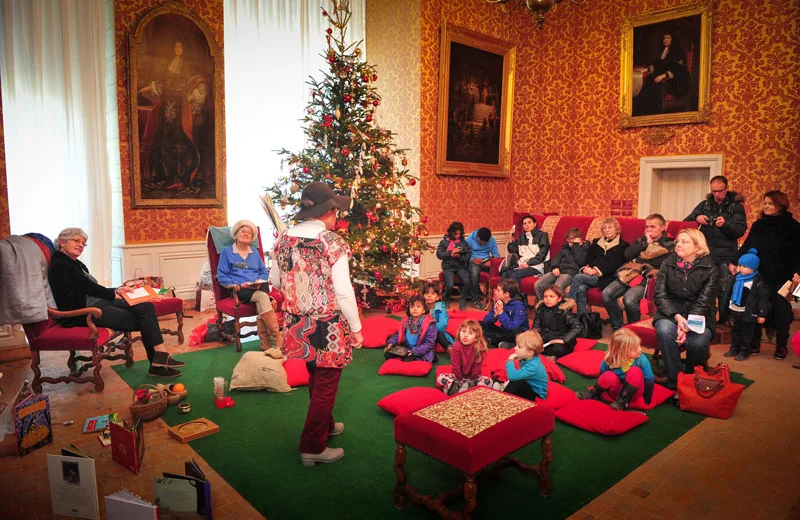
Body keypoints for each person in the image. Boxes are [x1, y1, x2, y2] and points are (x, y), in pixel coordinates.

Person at [269, 181, 364, 467]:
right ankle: (312, 446)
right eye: (336, 211)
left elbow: (275, 281)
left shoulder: (284, 239)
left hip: (298, 323)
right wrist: (357, 329)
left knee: (315, 375)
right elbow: (344, 292)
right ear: (330, 211)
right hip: (328, 326)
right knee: (326, 384)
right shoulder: (331, 242)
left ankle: (325, 424)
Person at [48, 227, 183, 378]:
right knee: (144, 320)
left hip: (99, 302)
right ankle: (157, 363)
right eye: (76, 240)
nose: (81, 245)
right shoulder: (60, 265)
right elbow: (87, 287)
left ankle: (160, 355)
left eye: (83, 243)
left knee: (146, 307)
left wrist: (118, 290)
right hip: (85, 312)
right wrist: (113, 293)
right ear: (62, 242)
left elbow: (91, 288)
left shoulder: (74, 263)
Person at [736, 191, 800, 360]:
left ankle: (781, 345)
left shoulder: (793, 226)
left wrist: (798, 273)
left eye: (770, 203)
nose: (766, 206)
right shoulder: (759, 225)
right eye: (765, 203)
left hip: (783, 276)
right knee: (755, 309)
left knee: (781, 310)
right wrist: (735, 262)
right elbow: (747, 246)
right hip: (759, 275)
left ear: (780, 205)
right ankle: (754, 343)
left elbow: (798, 253)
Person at [654, 229, 718, 390]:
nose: (678, 245)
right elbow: (660, 295)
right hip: (671, 313)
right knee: (664, 330)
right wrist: (677, 317)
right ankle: (674, 380)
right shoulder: (668, 263)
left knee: (697, 343)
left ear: (697, 247)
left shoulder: (710, 268)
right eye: (678, 241)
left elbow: (704, 302)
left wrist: (687, 326)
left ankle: (689, 380)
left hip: (700, 315)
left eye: (684, 241)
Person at [684, 176, 747, 326]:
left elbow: (740, 230)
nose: (717, 195)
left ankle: (723, 320)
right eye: (714, 191)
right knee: (703, 287)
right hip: (705, 254)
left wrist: (725, 224)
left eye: (720, 191)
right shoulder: (704, 205)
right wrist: (697, 217)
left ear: (726, 189)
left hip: (726, 255)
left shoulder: (735, 207)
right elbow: (685, 223)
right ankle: (706, 318)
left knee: (724, 289)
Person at [217, 220, 282, 358]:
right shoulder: (227, 252)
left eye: (249, 232)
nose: (246, 234)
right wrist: (237, 284)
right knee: (264, 298)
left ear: (252, 237)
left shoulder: (254, 253)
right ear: (235, 234)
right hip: (239, 288)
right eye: (243, 231)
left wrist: (259, 280)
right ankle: (278, 341)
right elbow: (221, 276)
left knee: (261, 299)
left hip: (257, 285)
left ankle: (265, 345)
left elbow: (263, 271)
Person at [602, 214, 674, 330]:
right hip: (630, 274)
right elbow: (627, 254)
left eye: (652, 227)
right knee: (607, 293)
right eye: (647, 227)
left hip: (648, 278)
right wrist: (645, 243)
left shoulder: (669, 243)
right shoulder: (642, 240)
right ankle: (618, 327)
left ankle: (633, 330)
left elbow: (661, 263)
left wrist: (639, 259)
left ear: (663, 228)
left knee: (629, 299)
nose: (649, 230)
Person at [576, 329, 654, 410]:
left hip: (632, 392)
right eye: (634, 349)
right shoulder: (610, 359)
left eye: (639, 345)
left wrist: (647, 399)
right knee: (608, 375)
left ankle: (622, 402)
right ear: (622, 352)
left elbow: (649, 379)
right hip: (616, 391)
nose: (640, 349)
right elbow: (602, 375)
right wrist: (600, 388)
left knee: (634, 371)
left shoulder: (641, 360)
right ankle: (594, 393)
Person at [568, 218, 629, 316]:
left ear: (617, 229)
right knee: (580, 288)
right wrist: (587, 268)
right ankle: (582, 319)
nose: (607, 230)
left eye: (610, 227)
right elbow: (589, 258)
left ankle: (567, 307)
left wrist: (596, 270)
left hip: (608, 277)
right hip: (592, 275)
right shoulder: (596, 242)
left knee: (578, 277)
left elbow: (614, 263)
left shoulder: (623, 245)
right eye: (605, 228)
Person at [721, 249, 769, 361]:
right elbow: (728, 293)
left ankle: (744, 351)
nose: (741, 268)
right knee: (735, 331)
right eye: (740, 265)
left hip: (749, 313)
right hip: (735, 310)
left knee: (747, 334)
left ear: (753, 268)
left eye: (744, 266)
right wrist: (725, 309)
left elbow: (763, 299)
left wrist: (762, 314)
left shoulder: (758, 282)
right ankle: (734, 348)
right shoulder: (735, 278)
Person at [633, 31, 692, 116]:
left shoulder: (678, 51)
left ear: (672, 39)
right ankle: (643, 109)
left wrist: (664, 75)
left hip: (677, 80)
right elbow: (659, 64)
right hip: (665, 77)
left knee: (656, 82)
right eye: (664, 38)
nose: (666, 40)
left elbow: (679, 68)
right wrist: (647, 69)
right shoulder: (664, 50)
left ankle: (653, 110)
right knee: (650, 79)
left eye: (668, 38)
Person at [436, 320, 492, 396]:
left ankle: (462, 390)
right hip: (457, 378)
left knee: (488, 381)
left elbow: (476, 368)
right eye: (464, 331)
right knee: (440, 378)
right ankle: (466, 390)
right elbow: (456, 366)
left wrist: (471, 380)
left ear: (476, 338)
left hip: (473, 379)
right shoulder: (456, 346)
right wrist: (460, 380)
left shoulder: (479, 348)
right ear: (459, 332)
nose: (465, 335)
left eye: (470, 333)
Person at [534, 227, 589, 301]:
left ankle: (560, 310)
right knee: (538, 285)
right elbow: (557, 258)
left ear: (579, 239)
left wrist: (575, 246)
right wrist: (555, 267)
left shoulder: (585, 248)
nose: (569, 244)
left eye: (571, 241)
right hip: (560, 270)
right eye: (568, 241)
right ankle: (545, 307)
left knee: (557, 287)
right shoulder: (566, 247)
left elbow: (580, 261)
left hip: (571, 273)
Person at [533, 285, 582, 359]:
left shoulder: (564, 311)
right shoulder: (541, 308)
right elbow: (536, 325)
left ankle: (548, 357)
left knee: (557, 349)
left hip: (560, 339)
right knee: (530, 344)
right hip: (545, 338)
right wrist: (535, 336)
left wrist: (563, 339)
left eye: (551, 296)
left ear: (559, 299)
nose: (548, 299)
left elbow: (578, 327)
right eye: (545, 296)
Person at [384, 294, 437, 362]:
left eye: (418, 306)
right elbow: (400, 334)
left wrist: (414, 351)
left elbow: (429, 343)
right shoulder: (406, 320)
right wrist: (391, 343)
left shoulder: (429, 324)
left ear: (424, 310)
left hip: (420, 349)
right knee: (388, 354)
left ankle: (431, 357)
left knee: (409, 360)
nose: (414, 309)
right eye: (412, 306)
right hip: (407, 347)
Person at [498, 330, 548, 401]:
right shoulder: (527, 358)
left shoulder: (534, 366)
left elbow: (512, 376)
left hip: (536, 395)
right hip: (527, 385)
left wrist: (510, 359)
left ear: (530, 353)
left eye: (519, 347)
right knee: (517, 381)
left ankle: (502, 399)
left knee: (516, 382)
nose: (515, 348)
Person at [481, 279, 529, 347]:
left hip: (517, 334)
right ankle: (496, 342)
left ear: (506, 294)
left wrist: (501, 313)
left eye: (498, 290)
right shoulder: (499, 301)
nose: (495, 292)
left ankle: (504, 343)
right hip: (504, 331)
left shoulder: (519, 306)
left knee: (513, 333)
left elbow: (514, 327)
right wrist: (495, 315)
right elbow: (486, 321)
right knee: (480, 325)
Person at [503, 215, 550, 284]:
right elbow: (512, 250)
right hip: (523, 265)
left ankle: (516, 295)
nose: (527, 225)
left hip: (536, 266)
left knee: (516, 275)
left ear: (535, 224)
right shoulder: (521, 237)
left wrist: (528, 264)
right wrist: (511, 237)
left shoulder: (542, 235)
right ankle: (505, 294)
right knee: (505, 274)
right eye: (524, 223)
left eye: (529, 222)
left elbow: (542, 254)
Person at [436, 221, 472, 310]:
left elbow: (467, 257)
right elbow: (439, 255)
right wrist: (449, 254)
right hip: (448, 267)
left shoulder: (463, 243)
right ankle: (446, 299)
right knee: (450, 284)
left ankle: (463, 300)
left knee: (467, 281)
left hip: (460, 266)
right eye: (456, 234)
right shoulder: (444, 242)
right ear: (451, 232)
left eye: (459, 234)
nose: (458, 236)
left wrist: (459, 257)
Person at [465, 227, 500, 310]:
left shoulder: (492, 240)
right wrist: (471, 259)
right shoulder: (470, 239)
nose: (483, 243)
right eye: (481, 241)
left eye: (485, 242)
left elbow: (496, 255)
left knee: (499, 271)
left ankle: (497, 297)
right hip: (474, 260)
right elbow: (464, 254)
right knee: (474, 273)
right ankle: (476, 300)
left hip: (487, 260)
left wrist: (491, 261)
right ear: (477, 237)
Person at [422, 284, 453, 352]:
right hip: (422, 334)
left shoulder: (440, 309)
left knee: (438, 333)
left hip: (436, 333)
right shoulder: (421, 308)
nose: (429, 296)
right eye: (426, 293)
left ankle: (450, 349)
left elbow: (442, 326)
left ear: (437, 297)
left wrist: (428, 326)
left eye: (432, 293)